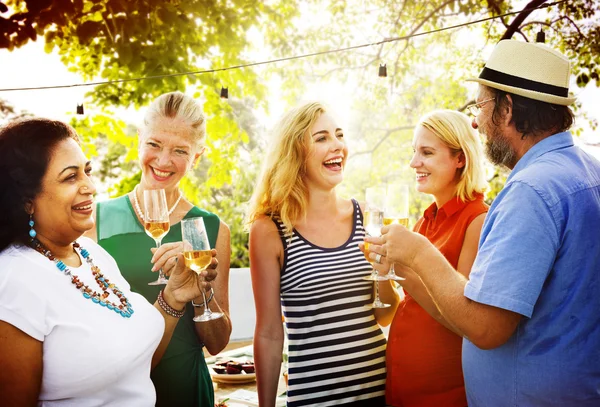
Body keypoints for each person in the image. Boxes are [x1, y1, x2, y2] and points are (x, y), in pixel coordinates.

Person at [367, 40, 600, 406]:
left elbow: (487, 328)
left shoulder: (530, 190)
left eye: (481, 105)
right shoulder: (588, 172)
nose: (476, 121)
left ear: (506, 110)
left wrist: (420, 254)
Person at [0, 118, 214, 406]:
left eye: (87, 172)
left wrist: (174, 296)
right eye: (70, 177)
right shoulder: (15, 279)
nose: (89, 186)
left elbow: (132, 369)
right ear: (27, 200)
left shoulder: (92, 253)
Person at [86, 91, 232, 407]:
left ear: (197, 156)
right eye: (154, 144)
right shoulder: (95, 220)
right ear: (139, 140)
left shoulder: (211, 228)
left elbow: (218, 343)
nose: (163, 161)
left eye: (180, 150)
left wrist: (201, 290)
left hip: (187, 391)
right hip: (118, 394)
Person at [246, 101, 397, 407]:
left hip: (380, 394)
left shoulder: (368, 217)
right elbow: (269, 333)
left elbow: (385, 314)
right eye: (322, 138)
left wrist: (382, 274)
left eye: (340, 135)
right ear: (295, 152)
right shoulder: (270, 230)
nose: (337, 146)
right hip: (312, 400)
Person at [371, 110, 488, 406]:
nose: (414, 163)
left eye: (427, 152)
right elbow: (399, 304)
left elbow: (466, 320)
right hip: (400, 385)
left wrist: (407, 269)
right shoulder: (424, 222)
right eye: (414, 152)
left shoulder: (477, 220)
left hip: (443, 392)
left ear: (459, 158)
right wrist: (383, 273)